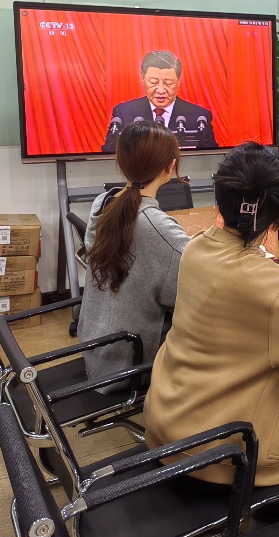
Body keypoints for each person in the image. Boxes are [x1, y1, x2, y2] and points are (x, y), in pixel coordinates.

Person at [144, 142, 279, 537]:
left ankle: (275, 513)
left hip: (172, 423)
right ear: (278, 213)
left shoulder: (197, 248)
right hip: (216, 453)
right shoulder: (266, 287)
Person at [78, 121, 190, 387]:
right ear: (170, 167)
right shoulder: (157, 227)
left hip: (98, 353)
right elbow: (190, 293)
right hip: (129, 366)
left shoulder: (104, 202)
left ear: (120, 161)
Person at [102, 50, 217, 152]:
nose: (161, 90)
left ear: (178, 81)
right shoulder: (124, 113)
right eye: (153, 82)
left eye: (168, 83)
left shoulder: (199, 116)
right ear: (143, 78)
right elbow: (107, 156)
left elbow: (210, 157)